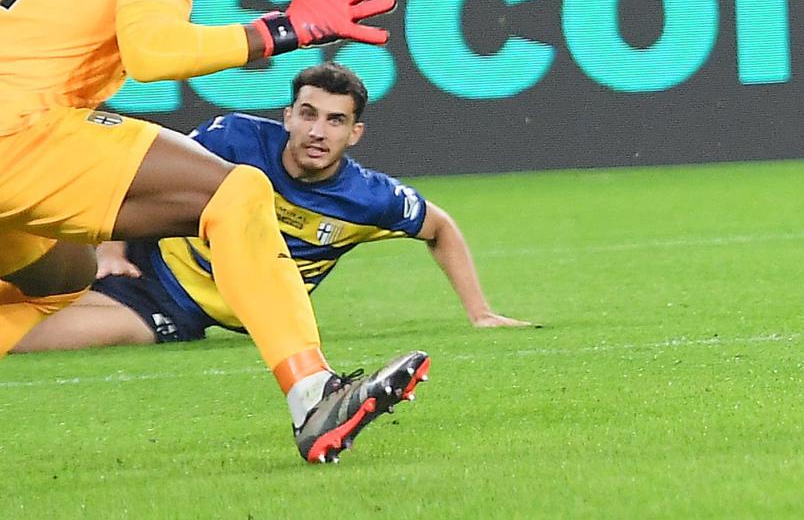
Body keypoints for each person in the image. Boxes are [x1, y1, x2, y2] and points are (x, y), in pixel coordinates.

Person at [0, 0, 425, 461]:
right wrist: (284, 30)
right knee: (237, 191)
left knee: (67, 272)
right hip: (22, 128)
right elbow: (153, 49)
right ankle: (314, 394)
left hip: (21, 131)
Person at [15, 62, 528, 353]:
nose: (317, 131)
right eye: (307, 114)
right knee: (27, 267)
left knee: (27, 337)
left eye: (334, 120)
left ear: (355, 133)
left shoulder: (370, 198)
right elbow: (135, 176)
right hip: (139, 262)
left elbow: (440, 228)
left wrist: (479, 313)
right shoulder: (234, 139)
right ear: (287, 116)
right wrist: (111, 249)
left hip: (170, 309)